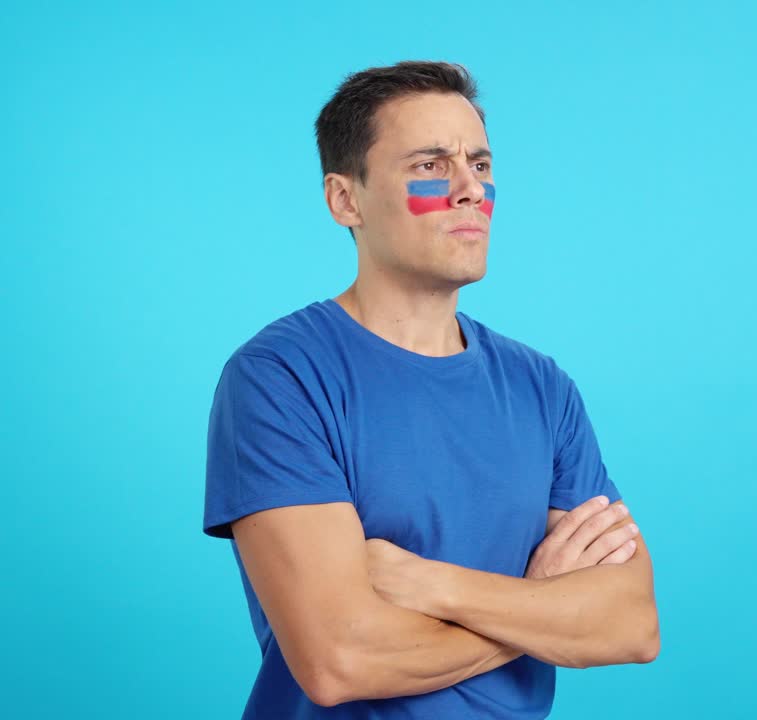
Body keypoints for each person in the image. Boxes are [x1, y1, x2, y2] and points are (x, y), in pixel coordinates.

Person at [202, 60, 659, 718]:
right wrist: (538, 607)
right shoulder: (282, 377)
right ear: (345, 200)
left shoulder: (542, 387)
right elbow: (341, 661)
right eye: (429, 165)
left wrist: (433, 586)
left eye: (480, 163)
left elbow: (631, 623)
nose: (470, 189)